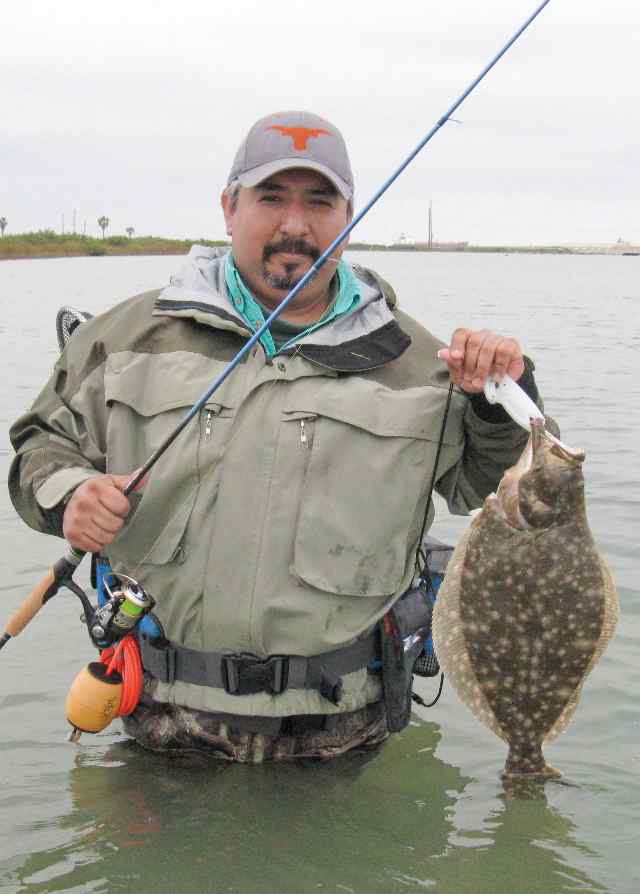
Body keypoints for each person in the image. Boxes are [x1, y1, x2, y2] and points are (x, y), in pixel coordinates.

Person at [9, 110, 547, 762]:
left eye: (319, 202)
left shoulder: (422, 363)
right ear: (228, 208)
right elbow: (40, 444)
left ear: (348, 216)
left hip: (345, 735)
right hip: (160, 723)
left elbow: (495, 490)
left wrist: (500, 398)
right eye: (270, 198)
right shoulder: (124, 336)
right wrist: (71, 494)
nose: (295, 225)